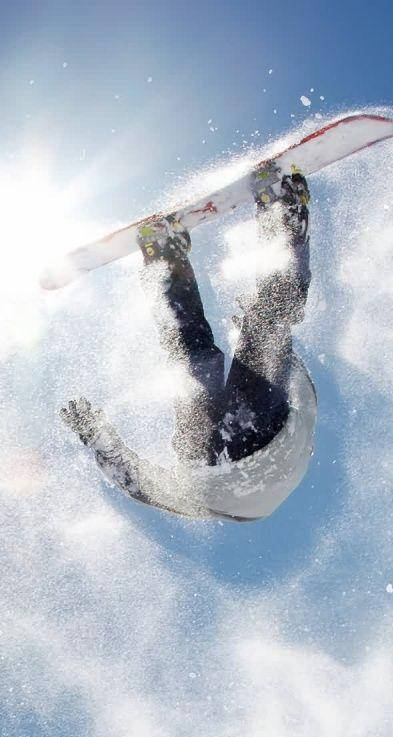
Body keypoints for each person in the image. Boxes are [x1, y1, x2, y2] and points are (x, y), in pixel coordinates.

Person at [59, 166, 317, 522]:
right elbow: (141, 486)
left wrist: (267, 334)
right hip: (206, 460)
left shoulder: (296, 445)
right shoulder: (207, 507)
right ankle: (163, 255)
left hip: (261, 445)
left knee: (261, 321)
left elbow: (299, 385)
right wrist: (97, 438)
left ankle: (282, 204)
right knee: (189, 351)